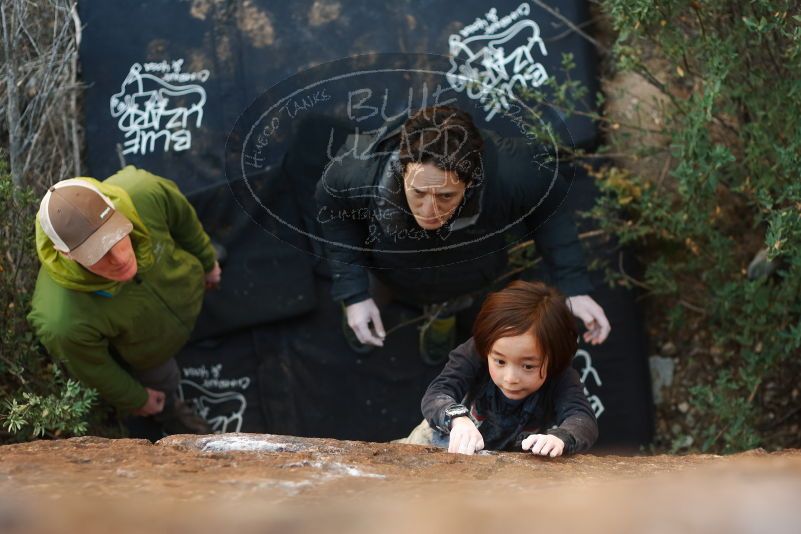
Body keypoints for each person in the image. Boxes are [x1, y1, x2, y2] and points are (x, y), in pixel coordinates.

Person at [315, 105, 610, 362]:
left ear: (470, 182)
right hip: (385, 266)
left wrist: (574, 286)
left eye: (445, 196)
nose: (429, 211)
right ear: (403, 171)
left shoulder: (514, 171)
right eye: (418, 193)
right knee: (370, 297)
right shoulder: (357, 171)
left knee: (452, 304)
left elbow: (551, 211)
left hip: (467, 272)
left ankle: (441, 322)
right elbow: (334, 212)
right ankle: (361, 317)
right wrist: (353, 294)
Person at [27, 165, 221, 435]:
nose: (120, 259)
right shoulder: (60, 318)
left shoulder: (144, 192)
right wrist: (137, 399)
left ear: (116, 209)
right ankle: (171, 417)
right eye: (97, 253)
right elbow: (95, 368)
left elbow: (183, 220)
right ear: (67, 254)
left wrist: (207, 261)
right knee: (165, 383)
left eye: (117, 233)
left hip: (188, 291)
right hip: (150, 353)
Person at [402, 280, 598, 456]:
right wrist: (457, 420)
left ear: (554, 358)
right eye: (500, 362)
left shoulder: (561, 376)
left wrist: (560, 438)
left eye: (528, 366)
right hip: (443, 439)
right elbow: (437, 393)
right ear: (486, 348)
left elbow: (582, 418)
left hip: (500, 458)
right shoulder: (476, 352)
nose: (510, 378)